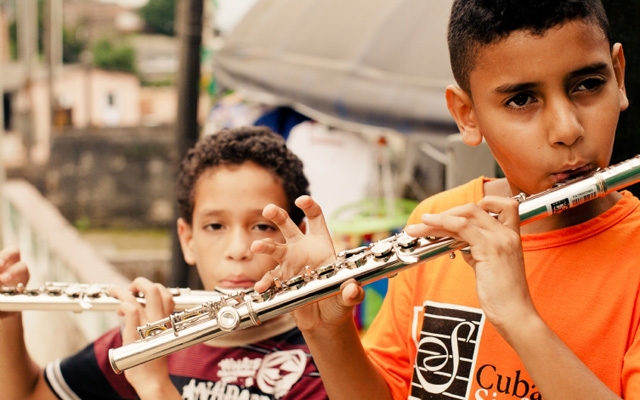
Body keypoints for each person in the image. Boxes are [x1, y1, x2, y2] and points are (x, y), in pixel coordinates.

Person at [252, 1, 640, 399]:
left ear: (619, 76)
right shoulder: (438, 220)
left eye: (588, 84)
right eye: (522, 99)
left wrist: (518, 318)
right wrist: (327, 330)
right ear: (467, 114)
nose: (567, 129)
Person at [0, 126, 328, 399]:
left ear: (296, 238)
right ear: (187, 239)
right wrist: (6, 318)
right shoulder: (152, 333)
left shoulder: (322, 359)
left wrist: (154, 384)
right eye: (215, 226)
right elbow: (27, 395)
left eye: (262, 226)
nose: (238, 249)